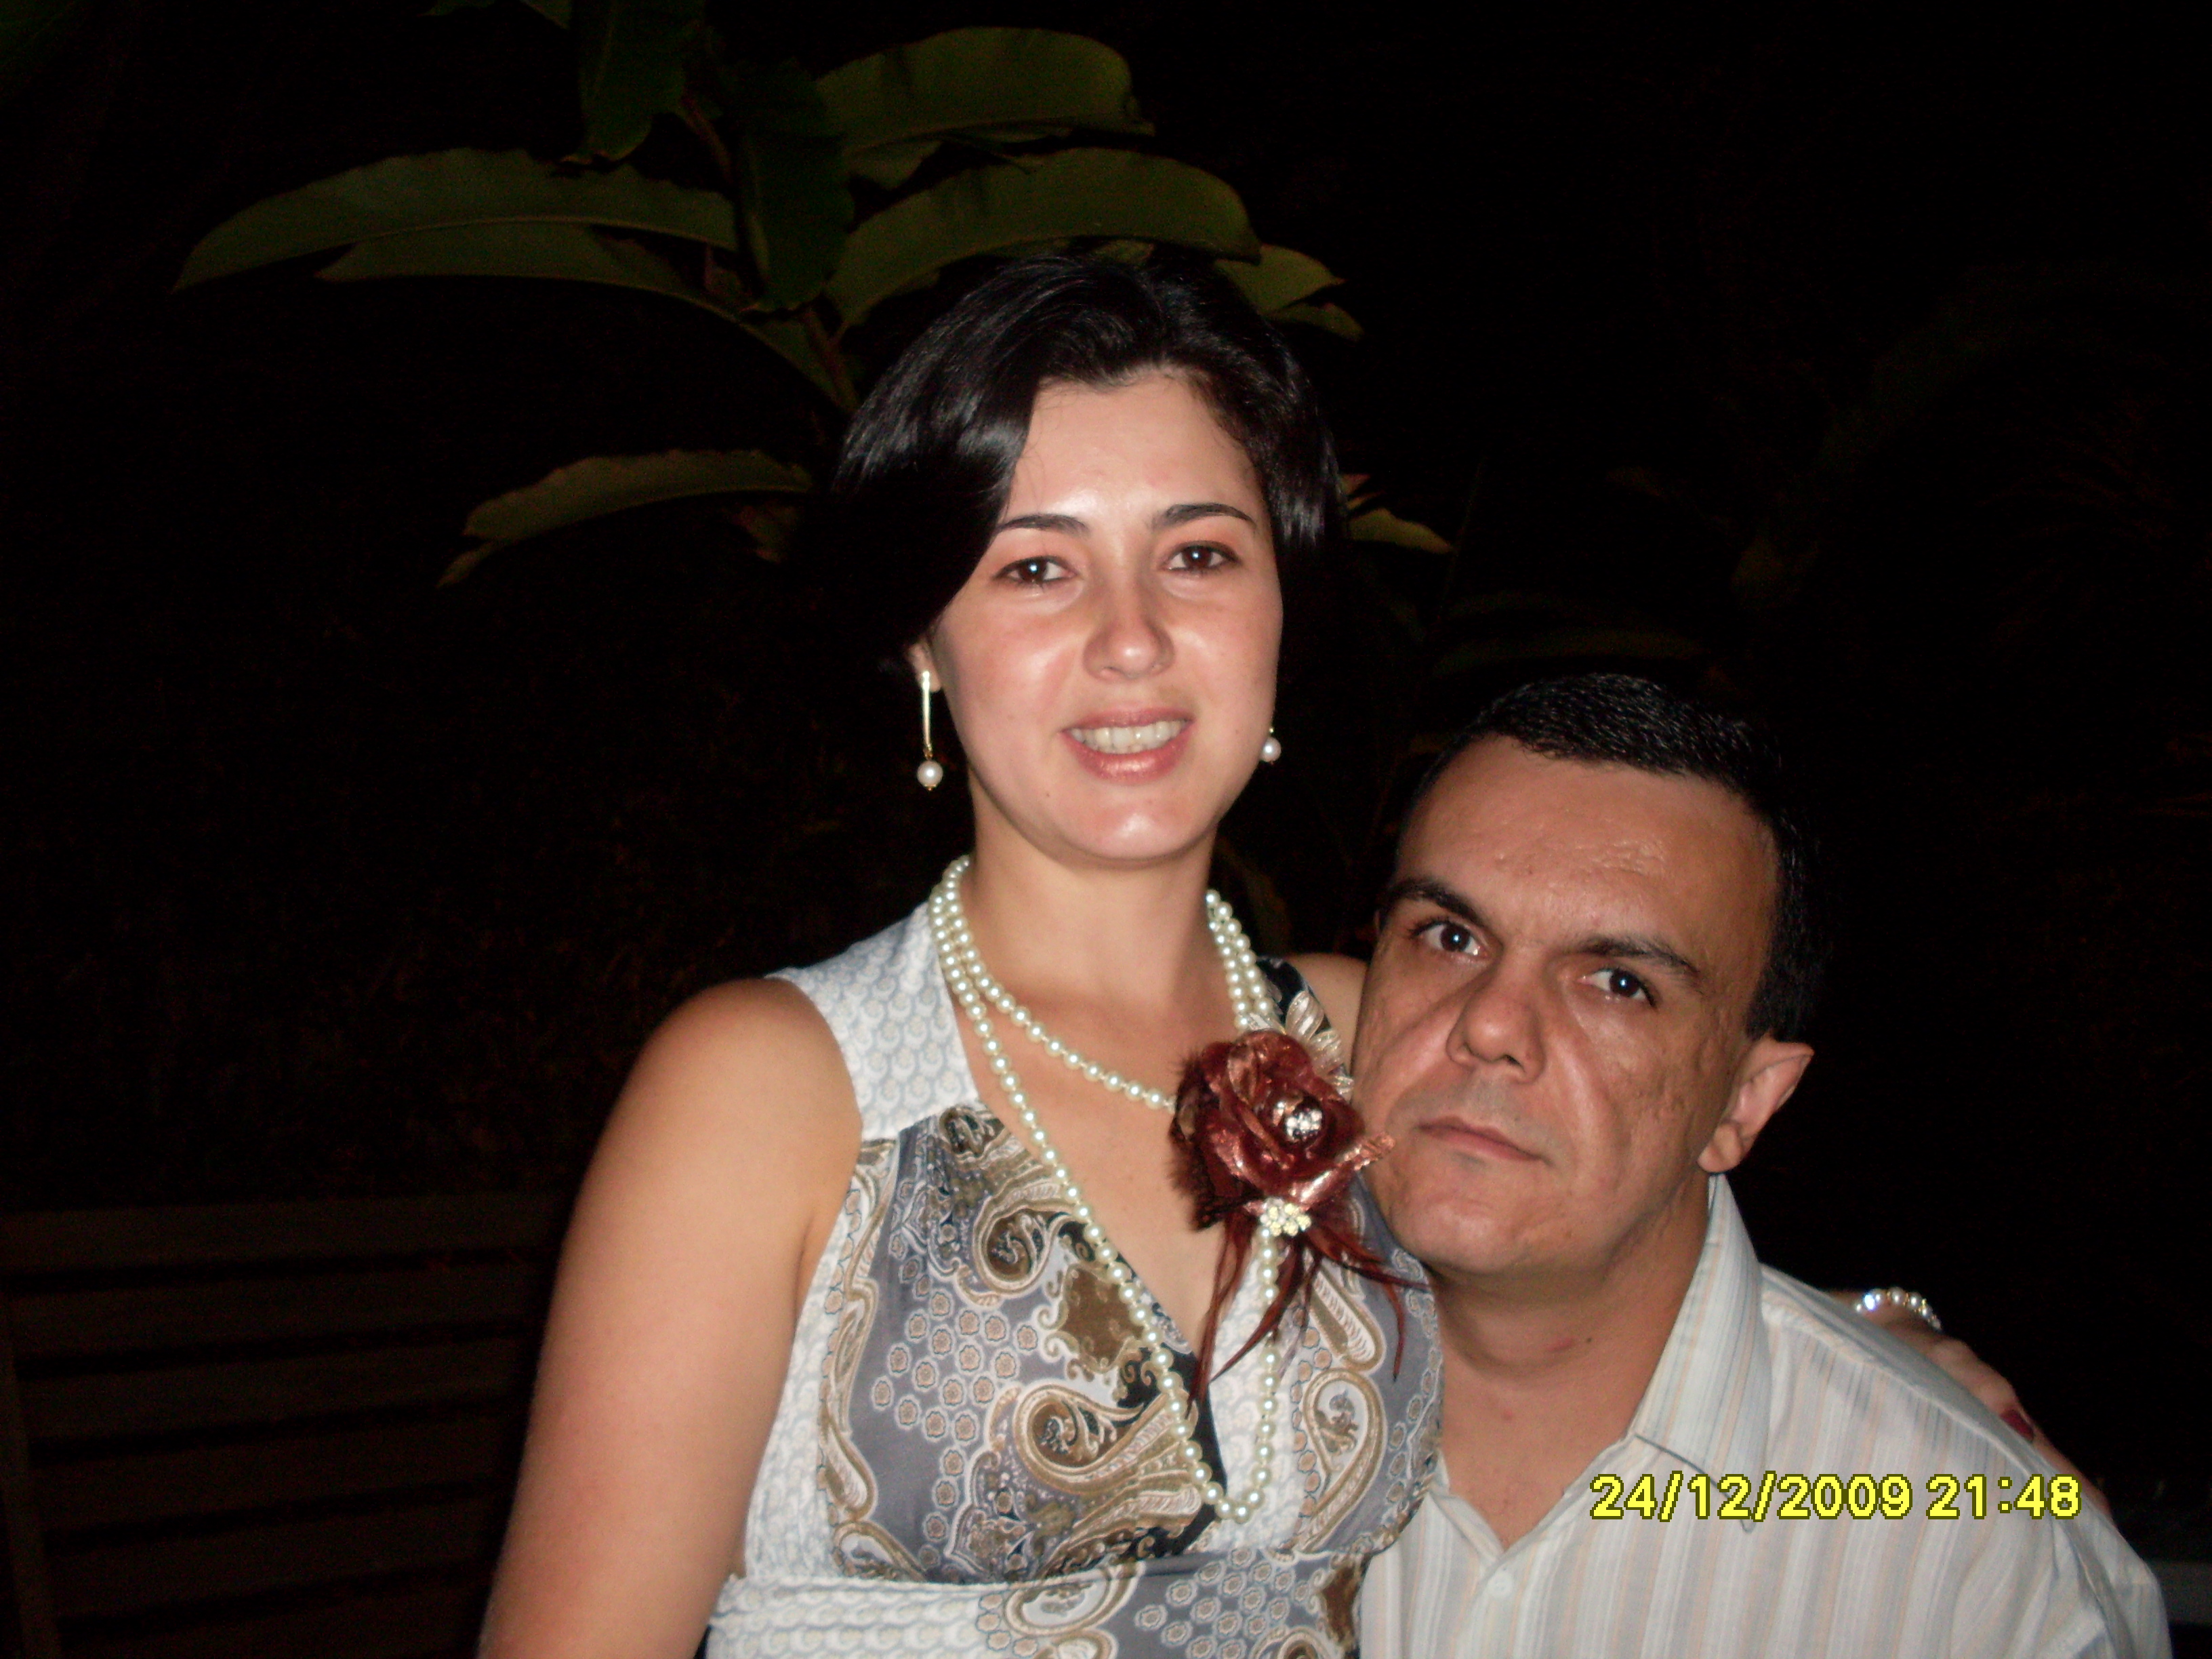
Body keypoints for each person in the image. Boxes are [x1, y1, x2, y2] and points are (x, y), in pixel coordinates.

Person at [478, 255, 1436, 1659]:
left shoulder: (1378, 1041)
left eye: (1198, 555)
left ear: (1281, 605)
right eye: (1037, 567)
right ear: (927, 640)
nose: (1132, 640)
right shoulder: (771, 1089)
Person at [1347, 674, 2169, 1657]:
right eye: (1450, 937)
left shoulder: (1975, 1563)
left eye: (1619, 983)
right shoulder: (1202, 1400)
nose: (1489, 1025)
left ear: (1746, 1099)